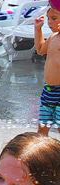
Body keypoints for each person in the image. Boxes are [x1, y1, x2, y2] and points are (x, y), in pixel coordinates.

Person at [35, 2, 60, 136]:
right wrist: (38, 29)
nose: (50, 22)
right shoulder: (52, 37)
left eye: (54, 18)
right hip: (48, 91)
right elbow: (40, 49)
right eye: (48, 18)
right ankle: (41, 155)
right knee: (42, 129)